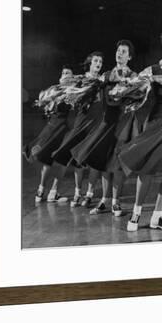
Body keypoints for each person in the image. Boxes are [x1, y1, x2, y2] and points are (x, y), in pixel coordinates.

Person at [119, 28, 162, 232]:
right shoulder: (152, 69)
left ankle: (158, 216)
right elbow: (131, 84)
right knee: (147, 168)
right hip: (156, 123)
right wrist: (151, 80)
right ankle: (137, 213)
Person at [71, 40, 138, 217]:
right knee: (103, 163)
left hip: (123, 125)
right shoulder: (106, 75)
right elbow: (91, 89)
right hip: (106, 123)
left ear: (129, 56)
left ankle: (116, 202)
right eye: (118, 51)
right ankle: (104, 201)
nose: (120, 53)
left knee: (117, 165)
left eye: (124, 51)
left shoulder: (134, 76)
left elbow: (138, 97)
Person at [51, 52, 104, 207]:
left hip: (97, 123)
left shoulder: (103, 80)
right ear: (90, 62)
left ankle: (89, 194)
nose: (98, 63)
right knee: (78, 160)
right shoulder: (81, 79)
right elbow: (64, 86)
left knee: (94, 161)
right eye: (95, 60)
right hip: (82, 122)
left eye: (100, 61)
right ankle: (77, 192)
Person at [26, 66, 76, 204]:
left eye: (68, 73)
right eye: (63, 73)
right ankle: (40, 190)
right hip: (52, 128)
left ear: (72, 77)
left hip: (65, 129)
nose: (65, 75)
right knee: (47, 160)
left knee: (63, 162)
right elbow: (45, 106)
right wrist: (46, 103)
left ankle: (53, 193)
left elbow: (74, 105)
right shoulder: (53, 89)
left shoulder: (74, 91)